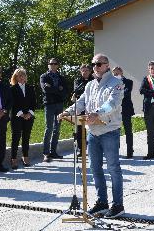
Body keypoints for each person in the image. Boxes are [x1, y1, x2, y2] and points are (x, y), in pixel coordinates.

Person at [60, 53, 125, 218]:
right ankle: (102, 202)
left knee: (113, 169)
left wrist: (97, 113)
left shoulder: (116, 83)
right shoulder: (89, 85)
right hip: (92, 133)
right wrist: (67, 112)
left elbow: (112, 103)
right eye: (93, 64)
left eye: (98, 64)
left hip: (109, 131)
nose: (94, 67)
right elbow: (81, 102)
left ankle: (118, 205)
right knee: (95, 169)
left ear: (107, 65)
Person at [40, 58, 68, 162]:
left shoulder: (61, 78)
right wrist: (58, 89)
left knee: (57, 129)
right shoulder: (44, 76)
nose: (52, 65)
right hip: (49, 104)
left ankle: (53, 152)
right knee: (49, 128)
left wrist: (54, 89)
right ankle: (46, 153)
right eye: (50, 63)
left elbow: (65, 92)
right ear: (48, 65)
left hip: (59, 105)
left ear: (58, 65)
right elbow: (45, 90)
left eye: (55, 63)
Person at [9, 68, 37, 169]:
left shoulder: (30, 88)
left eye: (23, 75)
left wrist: (29, 113)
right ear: (16, 77)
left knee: (26, 137)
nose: (22, 77)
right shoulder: (12, 89)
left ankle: (25, 156)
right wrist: (21, 114)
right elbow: (12, 104)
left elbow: (34, 103)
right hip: (17, 117)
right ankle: (13, 159)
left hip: (29, 117)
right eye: (20, 75)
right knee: (16, 138)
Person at [112, 67, 135, 159]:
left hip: (126, 110)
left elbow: (126, 92)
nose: (116, 75)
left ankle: (130, 151)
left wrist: (116, 93)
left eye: (117, 73)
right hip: (115, 110)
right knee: (115, 131)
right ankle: (115, 151)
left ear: (121, 72)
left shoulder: (129, 82)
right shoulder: (111, 83)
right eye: (114, 74)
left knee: (128, 131)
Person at [73, 64, 93, 157]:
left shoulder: (94, 80)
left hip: (91, 109)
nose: (84, 72)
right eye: (83, 71)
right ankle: (81, 150)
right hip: (80, 108)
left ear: (90, 71)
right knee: (80, 130)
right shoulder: (78, 81)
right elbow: (78, 92)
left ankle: (93, 150)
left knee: (90, 129)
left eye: (86, 70)